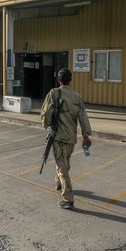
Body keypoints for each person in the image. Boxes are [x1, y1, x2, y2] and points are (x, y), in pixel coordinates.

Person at [41, 68, 92, 209]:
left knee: (62, 166)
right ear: (70, 80)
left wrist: (47, 125)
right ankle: (59, 183)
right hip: (71, 137)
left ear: (59, 79)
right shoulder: (77, 97)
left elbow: (46, 113)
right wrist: (86, 136)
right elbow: (83, 117)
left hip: (58, 137)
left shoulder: (54, 93)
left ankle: (68, 198)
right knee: (65, 162)